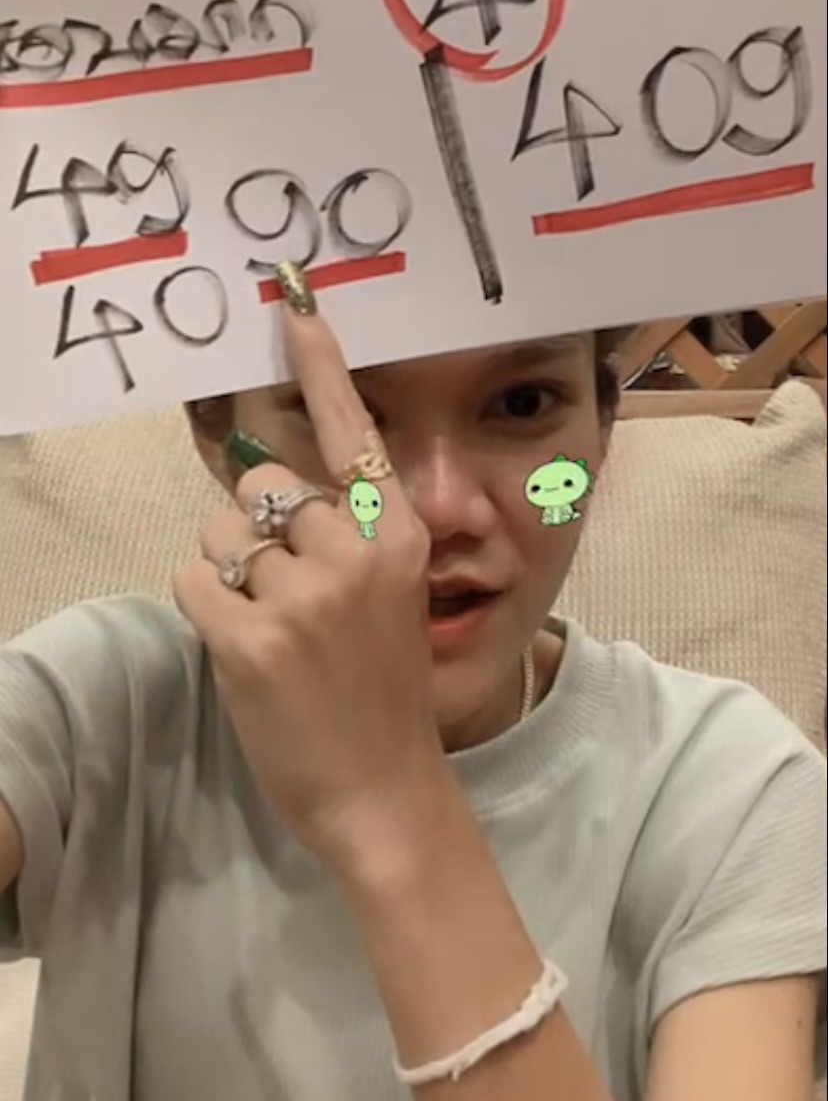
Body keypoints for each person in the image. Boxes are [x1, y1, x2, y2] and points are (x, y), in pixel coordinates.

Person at [0, 260, 825, 1101]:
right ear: (217, 440)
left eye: (523, 403)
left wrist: (388, 801)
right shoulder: (107, 705)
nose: (432, 511)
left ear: (602, 434)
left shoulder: (733, 796)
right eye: (338, 408)